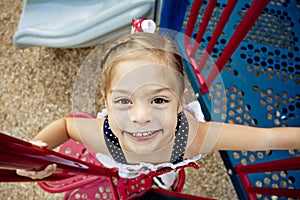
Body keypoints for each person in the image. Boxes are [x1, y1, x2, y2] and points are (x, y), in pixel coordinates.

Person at [17, 27, 300, 186]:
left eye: (159, 100)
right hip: (122, 160)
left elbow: (267, 137)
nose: (140, 117)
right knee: (129, 171)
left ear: (179, 103)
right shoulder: (103, 136)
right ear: (105, 102)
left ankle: (165, 175)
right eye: (124, 101)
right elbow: (66, 126)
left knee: (166, 171)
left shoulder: (194, 137)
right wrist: (38, 147)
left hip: (171, 155)